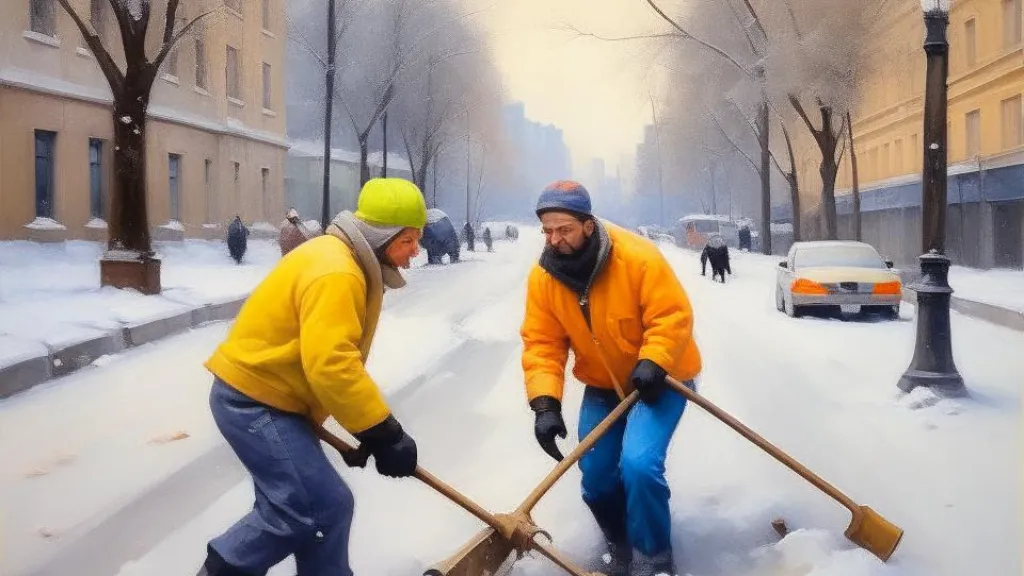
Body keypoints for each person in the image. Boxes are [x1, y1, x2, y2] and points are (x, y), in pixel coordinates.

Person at [198, 178, 428, 576]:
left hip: (274, 400)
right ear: (383, 236)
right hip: (253, 400)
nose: (416, 251)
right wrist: (384, 433)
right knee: (314, 507)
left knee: (320, 511)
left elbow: (322, 363)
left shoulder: (341, 258)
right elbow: (331, 364)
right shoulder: (338, 272)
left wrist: (365, 432)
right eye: (409, 241)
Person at [520, 180, 702, 576]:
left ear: (587, 225)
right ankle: (621, 544)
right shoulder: (545, 278)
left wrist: (655, 359)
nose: (554, 240)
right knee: (598, 476)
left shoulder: (637, 258)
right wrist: (544, 403)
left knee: (639, 466)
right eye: (547, 231)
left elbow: (671, 315)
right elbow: (542, 343)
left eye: (563, 229)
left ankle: (653, 559)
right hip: (603, 386)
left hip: (661, 379)